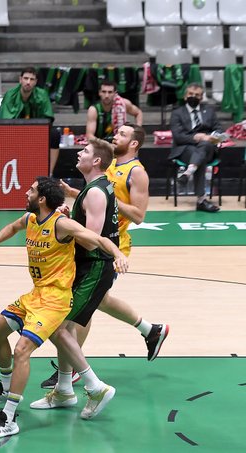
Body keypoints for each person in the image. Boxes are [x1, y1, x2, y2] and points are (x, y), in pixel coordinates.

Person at [0, 177, 128, 439]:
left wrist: (119, 254)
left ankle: (9, 417)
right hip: (35, 295)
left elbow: (98, 240)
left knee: (22, 350)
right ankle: (7, 385)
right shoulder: (30, 219)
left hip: (55, 300)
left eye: (31, 190)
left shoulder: (62, 224)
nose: (26, 191)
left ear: (41, 198)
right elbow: (11, 227)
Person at [42, 123, 169, 389]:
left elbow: (139, 215)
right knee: (98, 300)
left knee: (84, 308)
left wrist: (108, 198)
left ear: (134, 143)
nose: (116, 136)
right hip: (98, 236)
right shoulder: (110, 167)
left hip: (112, 243)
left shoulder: (137, 172)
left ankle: (74, 369)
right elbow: (96, 195)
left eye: (123, 134)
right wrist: (79, 196)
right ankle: (150, 330)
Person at [27, 139, 119, 420]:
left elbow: (90, 241)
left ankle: (94, 388)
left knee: (60, 328)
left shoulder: (94, 193)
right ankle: (65, 390)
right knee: (62, 328)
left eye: (86, 152)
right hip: (87, 269)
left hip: (93, 269)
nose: (79, 153)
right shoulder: (96, 188)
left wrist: (61, 224)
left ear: (97, 162)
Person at [0, 67, 60, 177]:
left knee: (54, 134)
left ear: (35, 82)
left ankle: (49, 173)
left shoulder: (42, 94)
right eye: (26, 78)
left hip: (37, 131)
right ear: (20, 79)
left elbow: (48, 119)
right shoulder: (10, 95)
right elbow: (5, 121)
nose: (28, 82)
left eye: (31, 79)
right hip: (15, 131)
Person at [170, 83, 222, 213]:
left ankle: (187, 173)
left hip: (208, 147)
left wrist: (211, 137)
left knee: (204, 146)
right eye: (191, 94)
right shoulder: (177, 113)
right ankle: (201, 200)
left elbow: (219, 129)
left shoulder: (209, 111)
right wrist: (196, 137)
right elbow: (178, 136)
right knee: (200, 156)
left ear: (201, 97)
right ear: (185, 96)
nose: (194, 97)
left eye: (197, 95)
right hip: (185, 149)